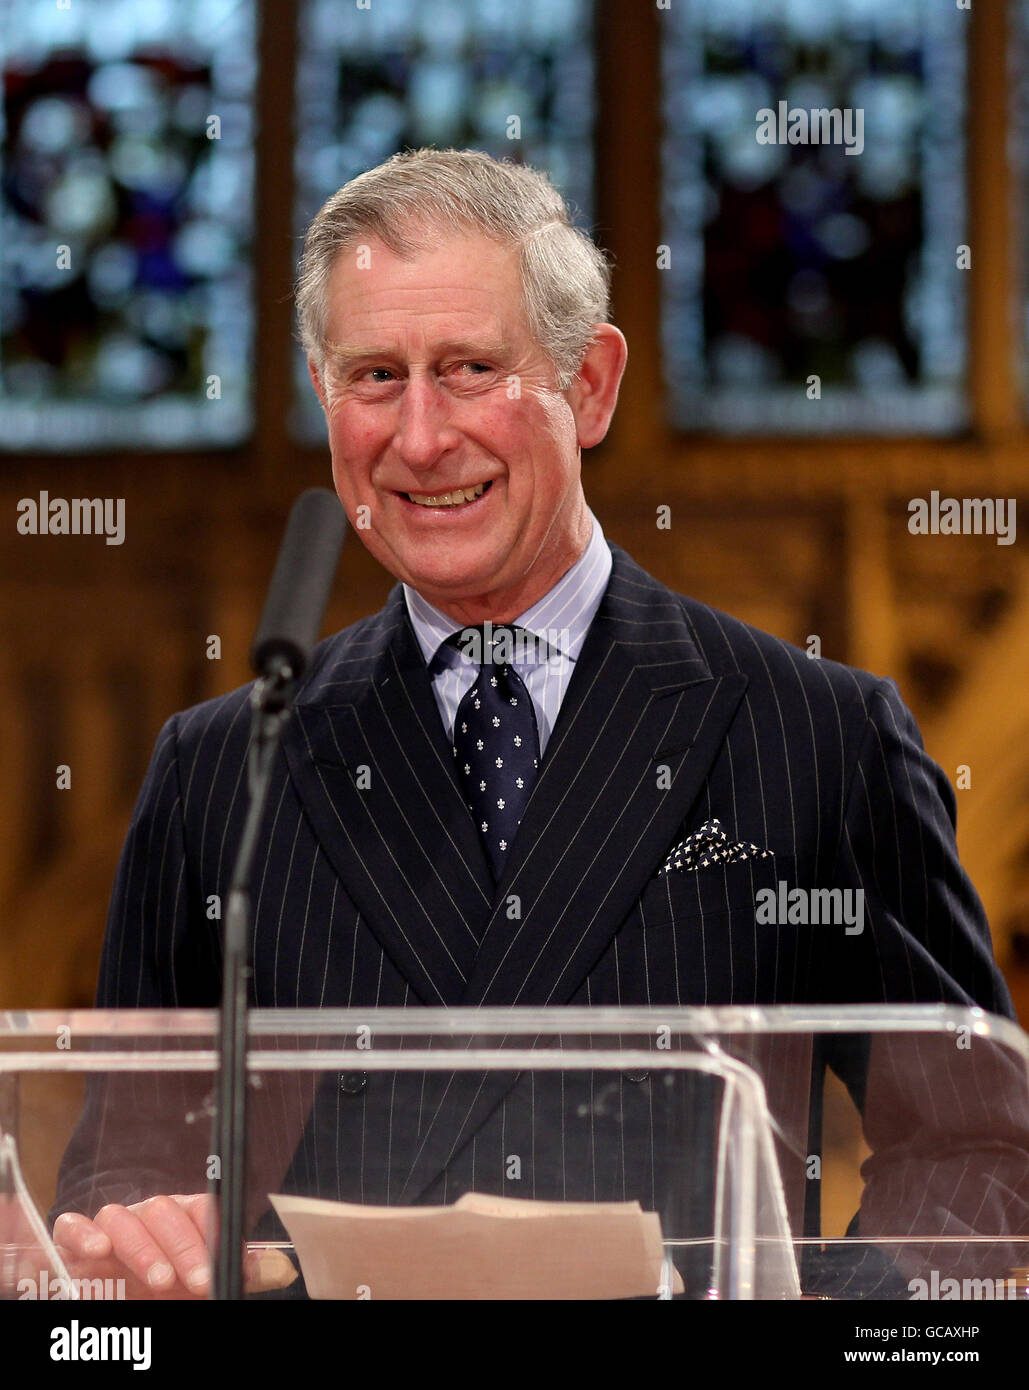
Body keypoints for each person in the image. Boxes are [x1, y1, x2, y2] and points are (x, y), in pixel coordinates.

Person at [52, 149, 1021, 1299]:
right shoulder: (222, 769)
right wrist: (130, 1238)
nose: (418, 439)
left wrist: (814, 1314)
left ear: (591, 384)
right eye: (374, 376)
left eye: (468, 369)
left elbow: (978, 1153)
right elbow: (122, 1166)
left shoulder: (818, 736)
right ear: (324, 395)